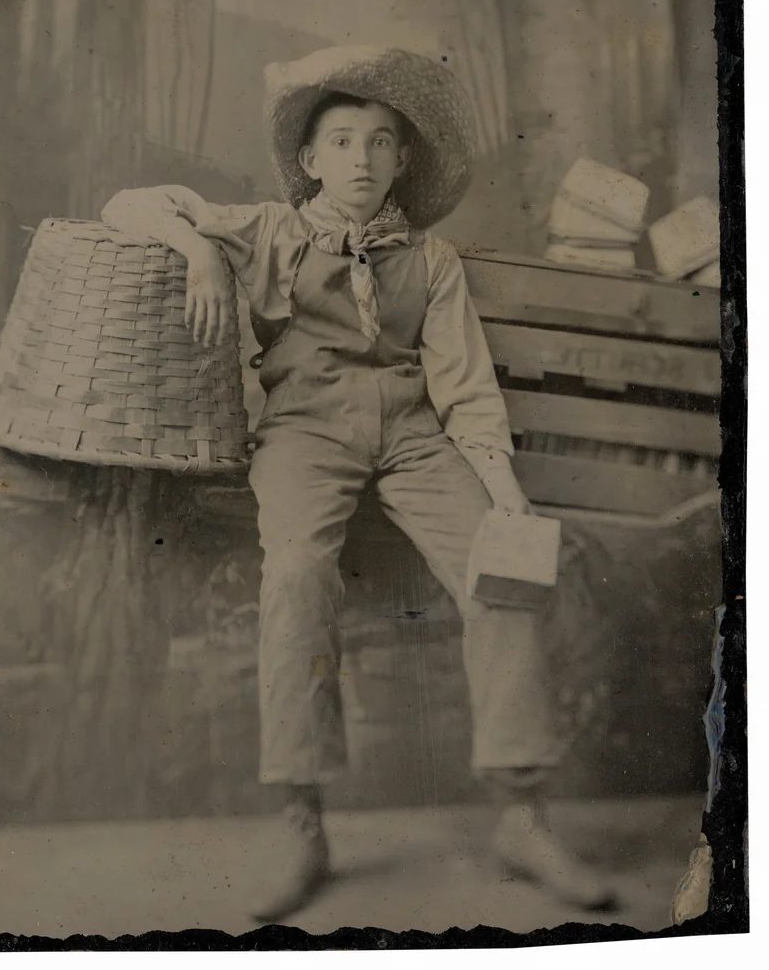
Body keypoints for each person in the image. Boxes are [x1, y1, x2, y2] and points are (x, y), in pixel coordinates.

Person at [102, 46, 615, 922]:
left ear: (403, 161)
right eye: (342, 142)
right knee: (297, 575)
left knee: (507, 570)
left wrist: (501, 488)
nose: (363, 159)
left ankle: (523, 816)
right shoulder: (270, 230)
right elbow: (126, 204)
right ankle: (302, 823)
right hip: (304, 432)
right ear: (311, 160)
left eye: (382, 143)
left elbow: (463, 388)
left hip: (415, 436)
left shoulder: (432, 261)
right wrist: (193, 250)